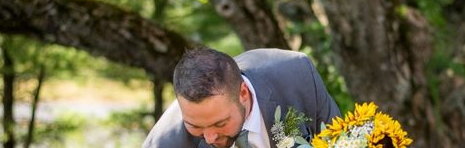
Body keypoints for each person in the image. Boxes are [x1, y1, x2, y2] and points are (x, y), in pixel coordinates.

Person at [142, 47, 341, 148]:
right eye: (195, 126)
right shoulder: (166, 141)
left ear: (243, 94)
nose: (210, 137)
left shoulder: (297, 76)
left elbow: (339, 140)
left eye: (220, 123)